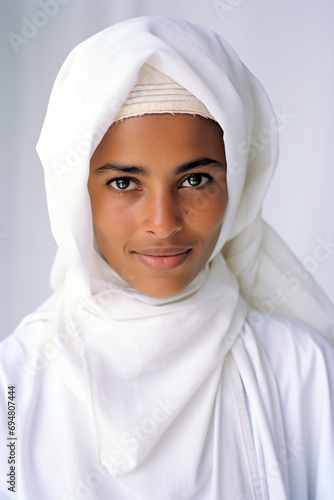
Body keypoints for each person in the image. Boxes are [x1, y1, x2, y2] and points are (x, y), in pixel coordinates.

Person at [1, 15, 334, 500]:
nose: (163, 222)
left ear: (238, 184)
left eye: (195, 180)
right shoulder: (14, 386)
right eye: (123, 183)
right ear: (73, 193)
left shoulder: (302, 372)